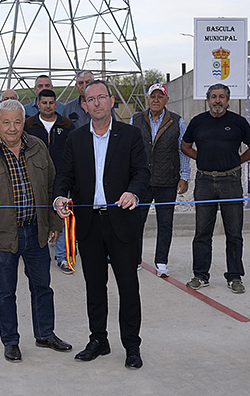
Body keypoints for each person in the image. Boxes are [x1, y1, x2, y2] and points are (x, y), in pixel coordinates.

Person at [0, 99, 72, 362]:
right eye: (6, 122)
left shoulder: (37, 147)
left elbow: (50, 189)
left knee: (43, 287)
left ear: (24, 122)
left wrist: (54, 223)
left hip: (35, 232)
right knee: (5, 292)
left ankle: (45, 334)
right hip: (1, 237)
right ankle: (11, 341)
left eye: (17, 121)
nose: (12, 128)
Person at [54, 80, 150, 370]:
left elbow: (142, 172)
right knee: (94, 287)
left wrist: (133, 191)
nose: (96, 103)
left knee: (128, 288)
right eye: (90, 99)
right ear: (84, 105)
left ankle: (132, 346)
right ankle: (98, 341)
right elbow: (64, 175)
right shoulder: (76, 138)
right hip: (88, 225)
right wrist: (60, 196)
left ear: (111, 101)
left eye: (101, 97)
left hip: (121, 223)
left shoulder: (130, 135)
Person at [181, 83, 250, 293]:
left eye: (222, 97)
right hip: (205, 182)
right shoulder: (198, 122)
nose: (218, 100)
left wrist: (237, 160)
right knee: (202, 233)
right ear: (208, 100)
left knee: (234, 233)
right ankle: (200, 275)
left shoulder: (238, 122)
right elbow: (185, 146)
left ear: (228, 100)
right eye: (214, 96)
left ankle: (234, 277)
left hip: (230, 182)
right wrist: (203, 158)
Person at [130, 83, 191, 277]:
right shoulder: (136, 119)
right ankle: (135, 259)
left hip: (168, 181)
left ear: (166, 100)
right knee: (135, 221)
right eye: (152, 96)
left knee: (165, 223)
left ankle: (161, 261)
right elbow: (129, 149)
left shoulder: (177, 121)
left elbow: (183, 151)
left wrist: (184, 177)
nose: (156, 100)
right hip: (142, 181)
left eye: (160, 96)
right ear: (147, 99)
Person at [24, 89, 75, 274]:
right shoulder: (28, 124)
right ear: (37, 103)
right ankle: (32, 253)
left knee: (64, 217)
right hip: (34, 178)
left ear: (56, 104)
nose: (48, 106)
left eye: (51, 102)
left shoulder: (67, 124)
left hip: (62, 178)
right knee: (36, 216)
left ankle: (63, 257)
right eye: (44, 102)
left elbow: (74, 151)